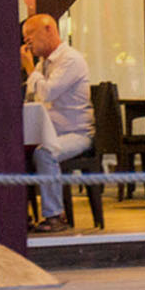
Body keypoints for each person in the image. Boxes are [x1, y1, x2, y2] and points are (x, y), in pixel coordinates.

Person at [20, 13, 94, 233]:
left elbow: (47, 92)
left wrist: (29, 69)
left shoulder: (70, 59)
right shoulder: (44, 64)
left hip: (75, 134)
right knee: (15, 151)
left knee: (45, 153)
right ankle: (19, 216)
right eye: (25, 37)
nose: (27, 41)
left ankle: (55, 216)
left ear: (49, 29)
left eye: (30, 34)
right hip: (48, 132)